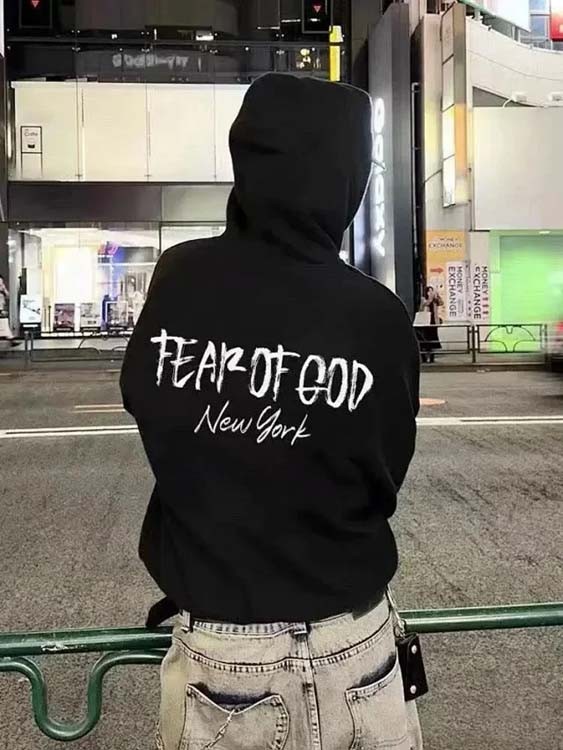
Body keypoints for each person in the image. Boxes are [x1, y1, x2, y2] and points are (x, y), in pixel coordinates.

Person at [121, 74, 421, 750]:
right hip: (355, 638)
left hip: (224, 645)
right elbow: (386, 471)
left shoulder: (181, 279)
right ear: (346, 179)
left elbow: (144, 400)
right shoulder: (375, 314)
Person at [417, 286, 443, 363]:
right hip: (426, 321)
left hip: (433, 321)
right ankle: (424, 357)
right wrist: (430, 297)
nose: (431, 293)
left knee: (433, 339)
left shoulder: (435, 300)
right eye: (429, 291)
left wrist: (437, 296)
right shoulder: (423, 299)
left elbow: (441, 303)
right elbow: (425, 304)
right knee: (425, 339)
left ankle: (432, 357)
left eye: (432, 291)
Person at [0, 275, 18, 347]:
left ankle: (11, 339)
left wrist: (4, 289)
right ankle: (11, 339)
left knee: (4, 325)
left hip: (1, 309)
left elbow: (8, 296)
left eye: (1, 282)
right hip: (0, 310)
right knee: (4, 325)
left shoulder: (2, 289)